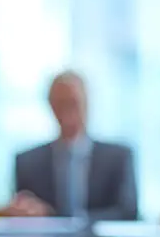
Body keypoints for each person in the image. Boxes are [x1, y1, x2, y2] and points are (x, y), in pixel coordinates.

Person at [11, 71, 138, 221]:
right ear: (50, 106)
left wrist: (78, 221)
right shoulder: (27, 163)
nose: (67, 112)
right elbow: (21, 215)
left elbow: (128, 212)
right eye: (60, 103)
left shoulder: (117, 158)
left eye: (73, 103)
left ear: (87, 103)